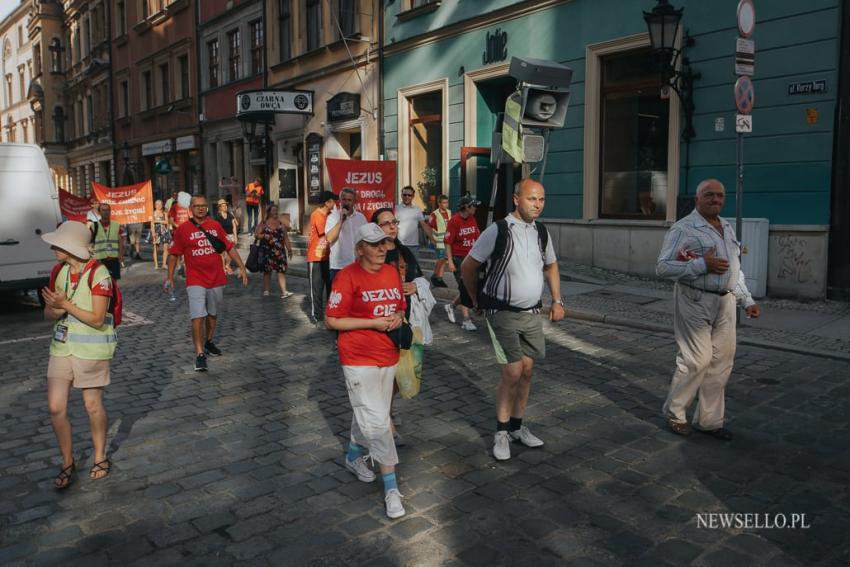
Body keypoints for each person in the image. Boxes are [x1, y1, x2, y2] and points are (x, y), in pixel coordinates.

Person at [461, 179, 564, 461]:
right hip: (502, 311)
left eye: (542, 199)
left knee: (528, 371)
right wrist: (474, 299)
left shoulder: (541, 231)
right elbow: (468, 266)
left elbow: (551, 265)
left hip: (532, 312)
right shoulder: (499, 230)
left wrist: (557, 300)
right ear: (516, 199)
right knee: (513, 372)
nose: (538, 205)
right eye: (532, 199)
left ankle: (518, 427)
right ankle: (502, 432)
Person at [656, 179, 761, 441]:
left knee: (722, 362)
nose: (715, 199)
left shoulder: (726, 227)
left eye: (720, 196)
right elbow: (663, 267)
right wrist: (702, 264)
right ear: (697, 199)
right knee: (697, 360)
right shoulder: (684, 228)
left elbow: (734, 269)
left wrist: (746, 300)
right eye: (709, 195)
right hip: (695, 300)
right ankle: (675, 413)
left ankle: (710, 421)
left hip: (724, 302)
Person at [326, 223, 407, 520]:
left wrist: (398, 316)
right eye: (374, 244)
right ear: (359, 248)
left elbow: (400, 306)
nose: (382, 249)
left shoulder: (390, 272)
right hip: (358, 357)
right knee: (378, 421)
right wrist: (372, 323)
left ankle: (352, 455)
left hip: (388, 354)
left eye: (384, 243)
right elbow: (332, 320)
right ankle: (391, 488)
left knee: (372, 410)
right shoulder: (347, 277)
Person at [40, 221, 117, 488]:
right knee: (55, 407)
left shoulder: (100, 273)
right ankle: (67, 461)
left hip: (92, 349)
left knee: (92, 406)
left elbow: (97, 319)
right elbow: (48, 313)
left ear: (71, 246)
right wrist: (55, 309)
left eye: (57, 244)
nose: (52, 247)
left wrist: (65, 305)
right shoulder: (58, 271)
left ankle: (100, 456)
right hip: (61, 348)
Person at [166, 195, 249, 372]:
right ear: (191, 208)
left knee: (212, 314)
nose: (201, 209)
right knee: (198, 315)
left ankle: (209, 341)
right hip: (195, 279)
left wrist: (241, 268)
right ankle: (199, 354)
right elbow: (174, 254)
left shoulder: (215, 226)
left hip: (216, 277)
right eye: (197, 206)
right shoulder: (183, 229)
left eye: (204, 206)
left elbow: (229, 247)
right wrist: (170, 277)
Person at [444, 195, 480, 331]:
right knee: (465, 288)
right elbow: (448, 243)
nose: (476, 208)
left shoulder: (472, 219)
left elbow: (477, 236)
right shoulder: (454, 221)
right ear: (466, 207)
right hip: (459, 258)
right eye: (474, 206)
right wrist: (450, 261)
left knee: (471, 288)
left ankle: (451, 306)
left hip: (472, 258)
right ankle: (466, 320)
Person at [307, 191, 339, 325]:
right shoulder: (317, 214)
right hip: (316, 257)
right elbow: (326, 232)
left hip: (329, 257)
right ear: (327, 203)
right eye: (334, 202)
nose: (336, 204)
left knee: (331, 288)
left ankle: (329, 314)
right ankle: (317, 316)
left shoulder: (331, 214)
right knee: (317, 289)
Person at [325, 187, 368, 284]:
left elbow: (366, 239)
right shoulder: (333, 217)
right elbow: (329, 238)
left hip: (358, 265)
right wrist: (341, 220)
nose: (346, 202)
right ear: (340, 201)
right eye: (344, 199)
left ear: (354, 202)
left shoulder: (361, 218)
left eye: (349, 200)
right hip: (339, 266)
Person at [255, 204, 293, 298]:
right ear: (269, 212)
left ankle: (284, 292)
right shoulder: (264, 223)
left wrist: (289, 249)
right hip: (267, 251)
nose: (275, 212)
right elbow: (256, 235)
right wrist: (264, 236)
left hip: (279, 251)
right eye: (273, 210)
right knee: (267, 271)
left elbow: (286, 238)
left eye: (276, 210)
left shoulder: (280, 224)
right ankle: (266, 291)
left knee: (281, 271)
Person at [395, 185, 433, 256]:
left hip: (414, 246)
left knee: (414, 267)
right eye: (405, 195)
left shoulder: (417, 209)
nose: (407, 197)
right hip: (400, 245)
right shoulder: (396, 209)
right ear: (401, 195)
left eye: (409, 195)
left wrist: (433, 240)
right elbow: (393, 226)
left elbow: (424, 225)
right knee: (400, 267)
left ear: (413, 196)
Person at [90, 203, 125, 280]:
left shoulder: (116, 224)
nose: (106, 212)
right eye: (103, 210)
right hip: (100, 260)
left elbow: (121, 241)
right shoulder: (94, 226)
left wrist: (121, 255)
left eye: (108, 210)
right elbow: (89, 242)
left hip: (114, 259)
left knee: (114, 282)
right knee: (102, 282)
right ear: (99, 212)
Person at [428, 194, 451, 287]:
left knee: (444, 259)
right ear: (439, 203)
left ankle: (439, 278)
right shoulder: (434, 214)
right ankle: (435, 275)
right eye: (444, 203)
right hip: (439, 241)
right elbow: (429, 228)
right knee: (441, 258)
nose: (446, 204)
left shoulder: (449, 212)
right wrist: (432, 240)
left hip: (447, 241)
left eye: (447, 202)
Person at [215, 199, 239, 275]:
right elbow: (216, 228)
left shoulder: (230, 214)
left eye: (226, 205)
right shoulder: (217, 217)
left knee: (230, 253)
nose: (225, 207)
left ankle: (227, 265)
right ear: (220, 207)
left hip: (230, 236)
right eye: (223, 206)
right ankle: (223, 268)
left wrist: (235, 237)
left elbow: (235, 226)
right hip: (221, 236)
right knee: (222, 253)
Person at [152, 199, 172, 269]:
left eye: (160, 204)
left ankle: (164, 264)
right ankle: (156, 264)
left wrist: (157, 221)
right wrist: (153, 233)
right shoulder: (153, 213)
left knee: (166, 247)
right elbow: (152, 223)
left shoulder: (164, 213)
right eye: (157, 204)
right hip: (156, 231)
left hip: (164, 231)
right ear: (155, 205)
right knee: (156, 248)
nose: (159, 206)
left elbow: (167, 222)